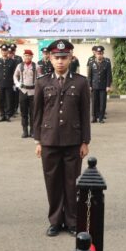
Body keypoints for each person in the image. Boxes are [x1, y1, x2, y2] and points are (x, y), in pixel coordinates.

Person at [32, 39, 90, 237]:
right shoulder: (42, 82)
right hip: (49, 141)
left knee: (72, 183)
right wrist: (38, 141)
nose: (60, 62)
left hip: (73, 141)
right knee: (53, 183)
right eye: (56, 57)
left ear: (71, 58)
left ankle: (73, 222)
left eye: (64, 58)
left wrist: (85, 141)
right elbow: (37, 114)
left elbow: (84, 114)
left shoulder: (81, 82)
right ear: (49, 58)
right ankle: (55, 221)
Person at [13, 49, 38, 138]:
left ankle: (32, 131)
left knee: (32, 112)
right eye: (26, 56)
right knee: (24, 112)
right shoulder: (20, 66)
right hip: (23, 91)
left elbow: (40, 77)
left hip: (33, 92)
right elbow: (15, 76)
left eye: (29, 56)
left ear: (32, 56)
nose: (27, 57)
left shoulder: (36, 66)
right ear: (23, 57)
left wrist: (38, 86)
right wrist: (18, 84)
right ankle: (24, 131)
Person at [87, 46, 112, 124]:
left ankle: (101, 118)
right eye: (98, 54)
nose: (99, 55)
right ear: (95, 54)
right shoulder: (91, 63)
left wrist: (108, 85)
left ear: (103, 54)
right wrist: (89, 85)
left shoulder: (107, 63)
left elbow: (109, 75)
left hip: (103, 86)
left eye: (101, 54)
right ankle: (94, 117)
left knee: (102, 103)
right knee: (94, 102)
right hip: (94, 86)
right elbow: (89, 76)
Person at [0, 44, 16, 122]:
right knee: (1, 100)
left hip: (9, 84)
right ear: (1, 51)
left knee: (9, 100)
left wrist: (14, 83)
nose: (4, 52)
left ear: (7, 51)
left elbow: (14, 73)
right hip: (0, 84)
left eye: (5, 50)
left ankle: (8, 115)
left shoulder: (12, 61)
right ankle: (2, 115)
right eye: (3, 51)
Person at [9, 44, 22, 118]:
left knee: (16, 96)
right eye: (11, 50)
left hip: (17, 80)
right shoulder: (8, 58)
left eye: (13, 50)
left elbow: (22, 68)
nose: (12, 51)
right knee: (10, 96)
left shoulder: (19, 58)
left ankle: (15, 109)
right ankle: (10, 110)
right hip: (9, 80)